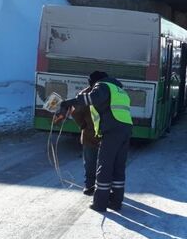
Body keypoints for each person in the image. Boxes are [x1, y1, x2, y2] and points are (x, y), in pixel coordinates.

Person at [56, 71, 133, 212]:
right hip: (125, 130)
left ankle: (100, 203)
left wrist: (68, 103)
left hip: (112, 131)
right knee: (118, 167)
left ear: (94, 82)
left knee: (104, 167)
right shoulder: (119, 90)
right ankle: (116, 202)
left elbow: (92, 98)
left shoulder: (103, 85)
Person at [70, 75, 103, 196]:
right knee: (104, 163)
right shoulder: (106, 93)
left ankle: (89, 186)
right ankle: (102, 187)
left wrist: (83, 125)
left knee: (90, 162)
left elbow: (75, 113)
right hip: (104, 133)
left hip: (89, 134)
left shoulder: (84, 94)